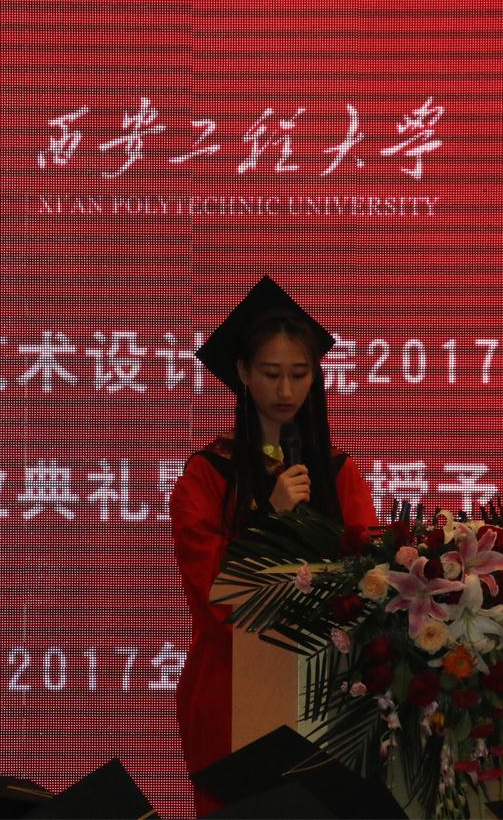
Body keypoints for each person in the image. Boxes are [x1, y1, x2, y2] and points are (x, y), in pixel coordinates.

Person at [170, 276, 378, 814]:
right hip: (233, 697)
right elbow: (214, 596)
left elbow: (372, 583)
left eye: (299, 374)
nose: (286, 391)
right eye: (270, 374)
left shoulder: (339, 473)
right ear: (242, 373)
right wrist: (269, 518)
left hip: (331, 699)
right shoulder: (207, 475)